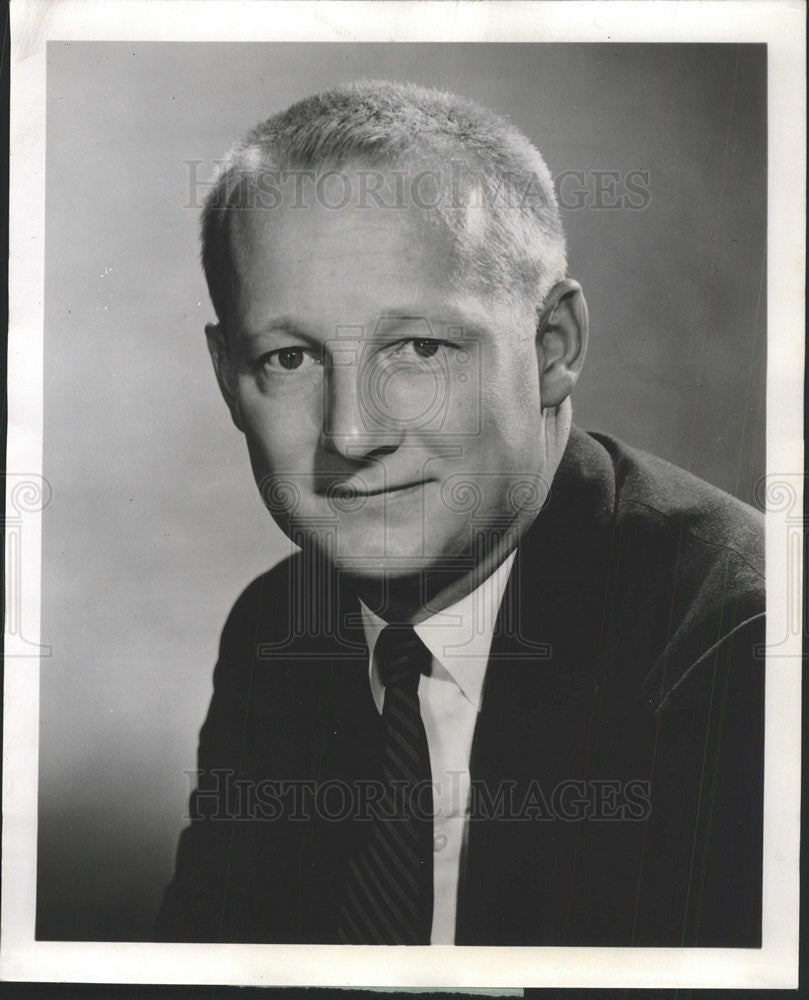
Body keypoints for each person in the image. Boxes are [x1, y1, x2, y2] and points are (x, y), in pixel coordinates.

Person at [156, 81, 764, 947]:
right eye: (289, 358)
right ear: (228, 378)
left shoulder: (742, 651)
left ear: (552, 346)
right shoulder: (277, 628)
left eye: (418, 349)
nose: (352, 432)